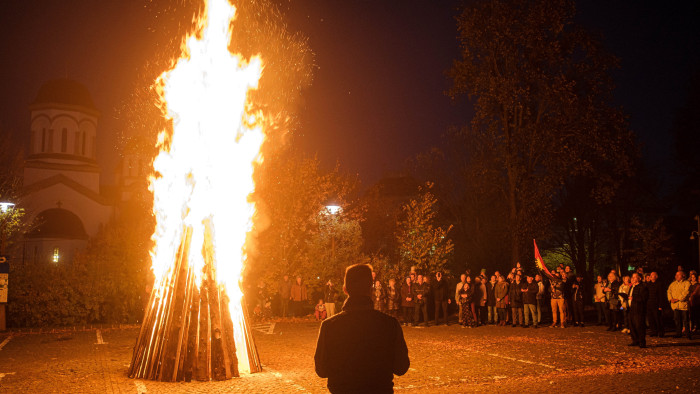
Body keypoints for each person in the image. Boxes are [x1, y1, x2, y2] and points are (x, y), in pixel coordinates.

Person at [314, 263, 410, 393]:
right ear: (370, 288)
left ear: (345, 289)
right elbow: (401, 367)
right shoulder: (390, 325)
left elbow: (321, 370)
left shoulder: (329, 326)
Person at [667, 270, 692, 340]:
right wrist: (670, 299)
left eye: (678, 275)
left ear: (683, 276)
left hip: (683, 305)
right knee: (677, 320)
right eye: (676, 275)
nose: (676, 276)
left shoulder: (687, 283)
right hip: (675, 305)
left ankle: (688, 334)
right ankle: (678, 333)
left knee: (685, 320)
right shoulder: (673, 284)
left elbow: (686, 292)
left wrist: (678, 299)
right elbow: (669, 291)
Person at [628, 273, 649, 348]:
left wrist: (634, 299)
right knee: (632, 325)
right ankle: (635, 340)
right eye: (632, 277)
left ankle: (642, 342)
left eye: (635, 277)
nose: (633, 279)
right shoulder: (632, 287)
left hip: (639, 309)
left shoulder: (643, 287)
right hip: (631, 309)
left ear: (639, 278)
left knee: (639, 326)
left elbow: (643, 298)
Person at [646, 271, 665, 337]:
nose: (651, 276)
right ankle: (654, 331)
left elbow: (661, 295)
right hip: (649, 304)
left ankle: (660, 332)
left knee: (658, 319)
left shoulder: (659, 284)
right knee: (651, 319)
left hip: (656, 304)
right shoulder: (648, 284)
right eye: (650, 275)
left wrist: (660, 305)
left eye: (653, 275)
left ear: (656, 276)